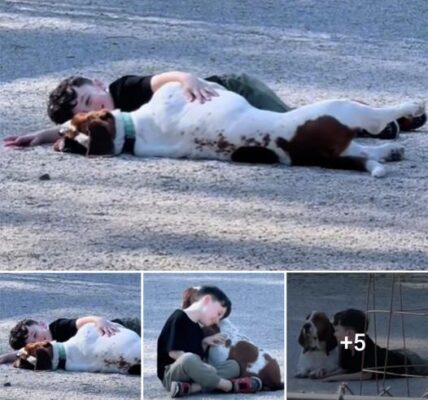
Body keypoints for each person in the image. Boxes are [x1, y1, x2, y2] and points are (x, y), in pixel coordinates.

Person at [5, 71, 423, 148]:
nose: (92, 107)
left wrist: (186, 79)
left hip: (231, 89)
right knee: (299, 123)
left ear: (97, 84)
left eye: (88, 98)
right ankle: (377, 124)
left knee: (297, 118)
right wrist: (40, 136)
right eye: (84, 108)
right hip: (228, 115)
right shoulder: (106, 121)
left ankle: (382, 118)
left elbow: (166, 78)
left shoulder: (123, 90)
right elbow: (75, 128)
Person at [157, 286, 262, 398]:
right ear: (206, 301)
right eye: (218, 313)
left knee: (233, 366)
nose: (217, 320)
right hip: (172, 374)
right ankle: (229, 386)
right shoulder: (179, 317)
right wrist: (202, 365)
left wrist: (204, 342)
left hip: (193, 373)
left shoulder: (197, 326)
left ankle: (190, 388)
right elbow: (174, 353)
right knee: (188, 358)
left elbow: (198, 355)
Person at [323, 309, 428, 381]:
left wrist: (333, 378)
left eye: (336, 330)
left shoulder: (364, 345)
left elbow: (366, 374)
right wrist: (328, 374)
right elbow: (346, 369)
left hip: (408, 362)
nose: (334, 334)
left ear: (349, 333)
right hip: (394, 353)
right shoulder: (345, 346)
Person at [0, 315, 140, 364]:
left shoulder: (58, 327)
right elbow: (24, 352)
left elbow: (80, 321)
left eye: (36, 335)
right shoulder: (47, 349)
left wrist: (98, 320)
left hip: (119, 328)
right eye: (33, 343)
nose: (38, 342)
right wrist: (5, 358)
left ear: (42, 324)